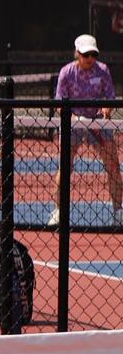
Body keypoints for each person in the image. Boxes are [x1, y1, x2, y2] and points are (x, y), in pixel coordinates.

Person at [52, 33, 121, 226]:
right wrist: (72, 118)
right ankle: (58, 212)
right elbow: (59, 101)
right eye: (86, 54)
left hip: (98, 122)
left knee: (113, 167)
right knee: (65, 168)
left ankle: (118, 213)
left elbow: (110, 96)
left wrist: (107, 110)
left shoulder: (103, 70)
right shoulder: (66, 72)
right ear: (77, 53)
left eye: (93, 54)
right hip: (73, 123)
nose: (90, 58)